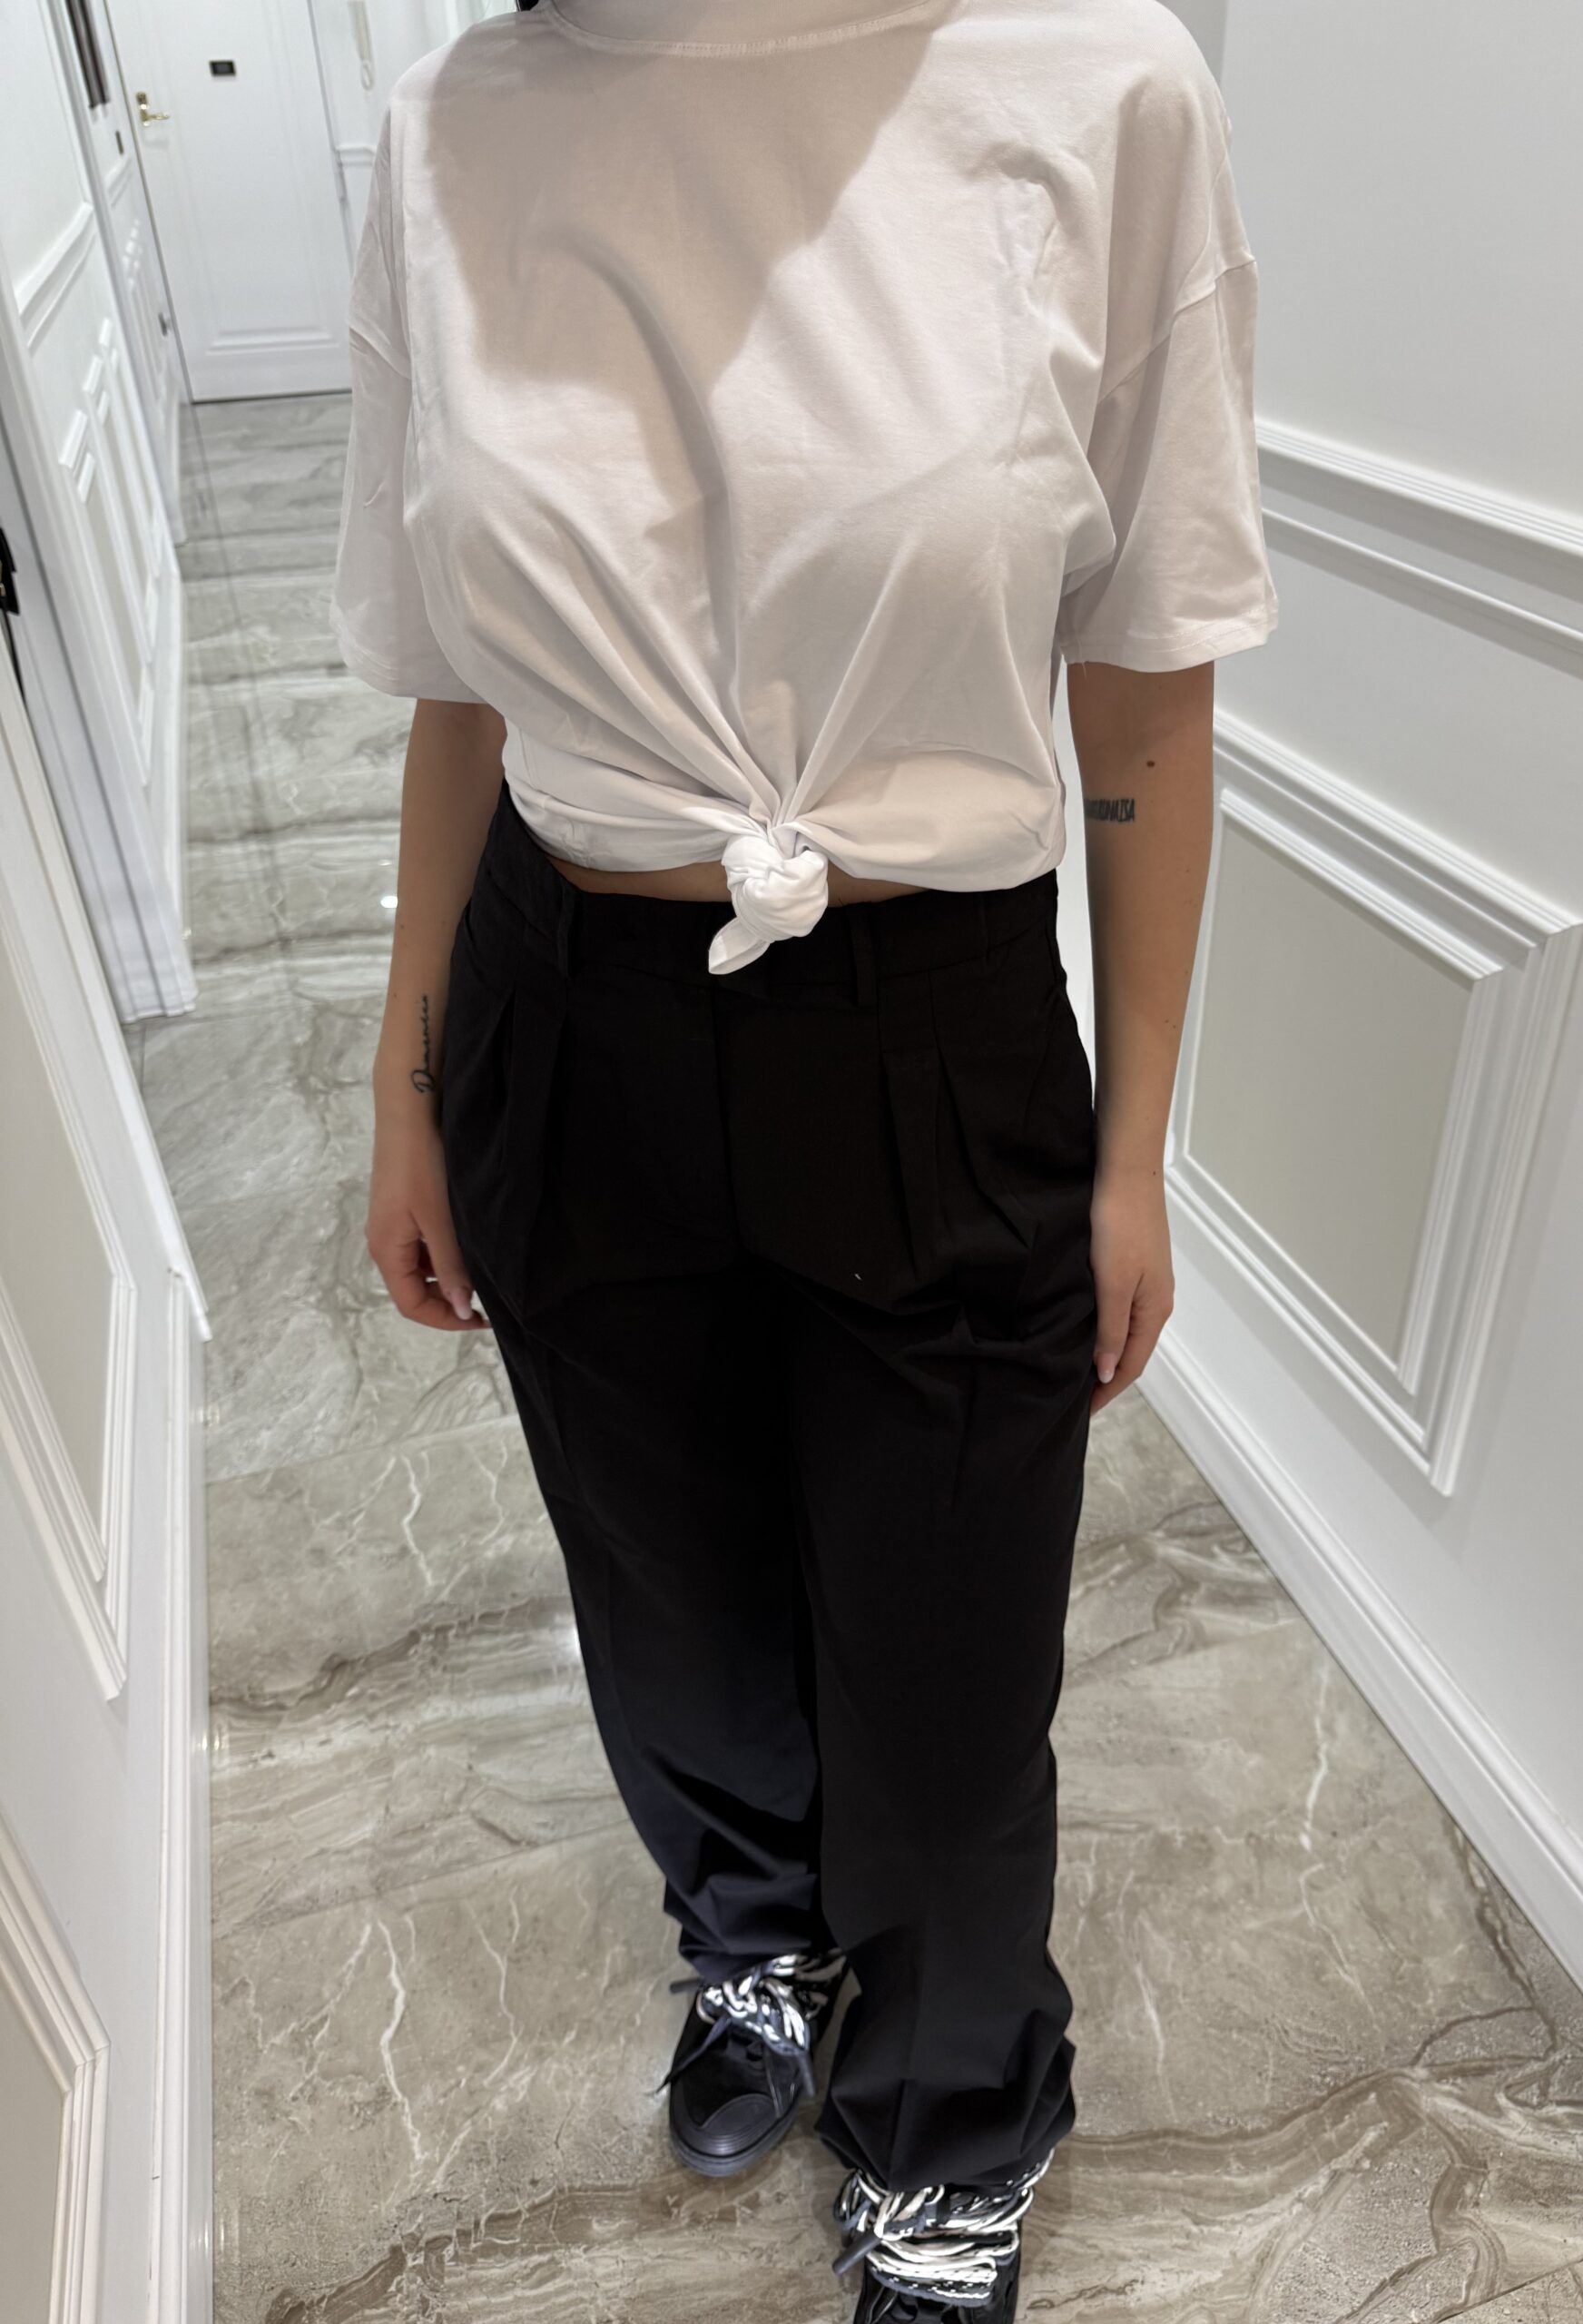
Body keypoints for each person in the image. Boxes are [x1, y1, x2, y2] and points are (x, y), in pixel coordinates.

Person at [329, 0, 1274, 2309]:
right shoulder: (456, 128)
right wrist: (408, 1078)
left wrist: (1136, 1143)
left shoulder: (1097, 90)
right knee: (662, 1594)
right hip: (568, 1000)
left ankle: (951, 2114)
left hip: (932, 1012)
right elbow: (466, 684)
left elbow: (1147, 675)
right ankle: (747, 1926)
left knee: (949, 1683)